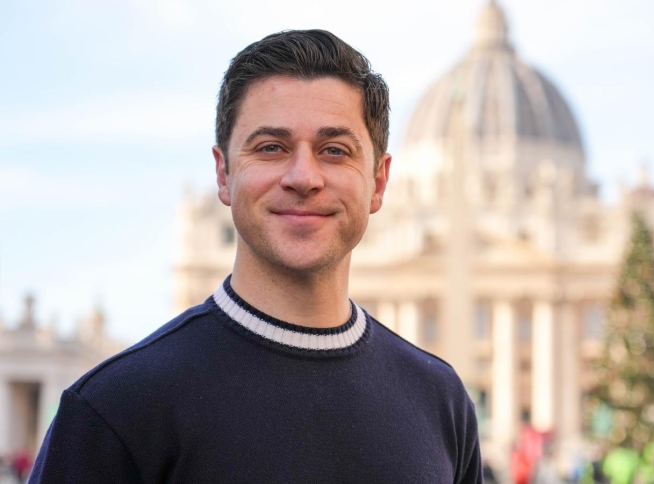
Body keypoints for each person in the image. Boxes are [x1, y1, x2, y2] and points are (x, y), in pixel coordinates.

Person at [29, 29, 482, 483]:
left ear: (379, 183)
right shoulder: (114, 408)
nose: (304, 177)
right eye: (271, 147)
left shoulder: (442, 401)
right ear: (223, 174)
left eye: (334, 151)